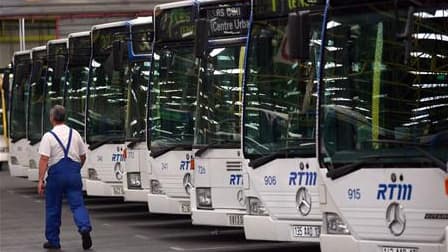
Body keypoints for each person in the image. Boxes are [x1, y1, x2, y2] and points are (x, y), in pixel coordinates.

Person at [38, 105, 93, 250]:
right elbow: (83, 156)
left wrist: (40, 180)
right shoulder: (75, 134)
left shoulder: (48, 136)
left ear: (52, 118)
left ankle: (53, 241)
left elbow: (44, 159)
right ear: (64, 118)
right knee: (77, 205)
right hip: (73, 174)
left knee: (53, 208)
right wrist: (75, 169)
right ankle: (84, 227)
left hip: (56, 176)